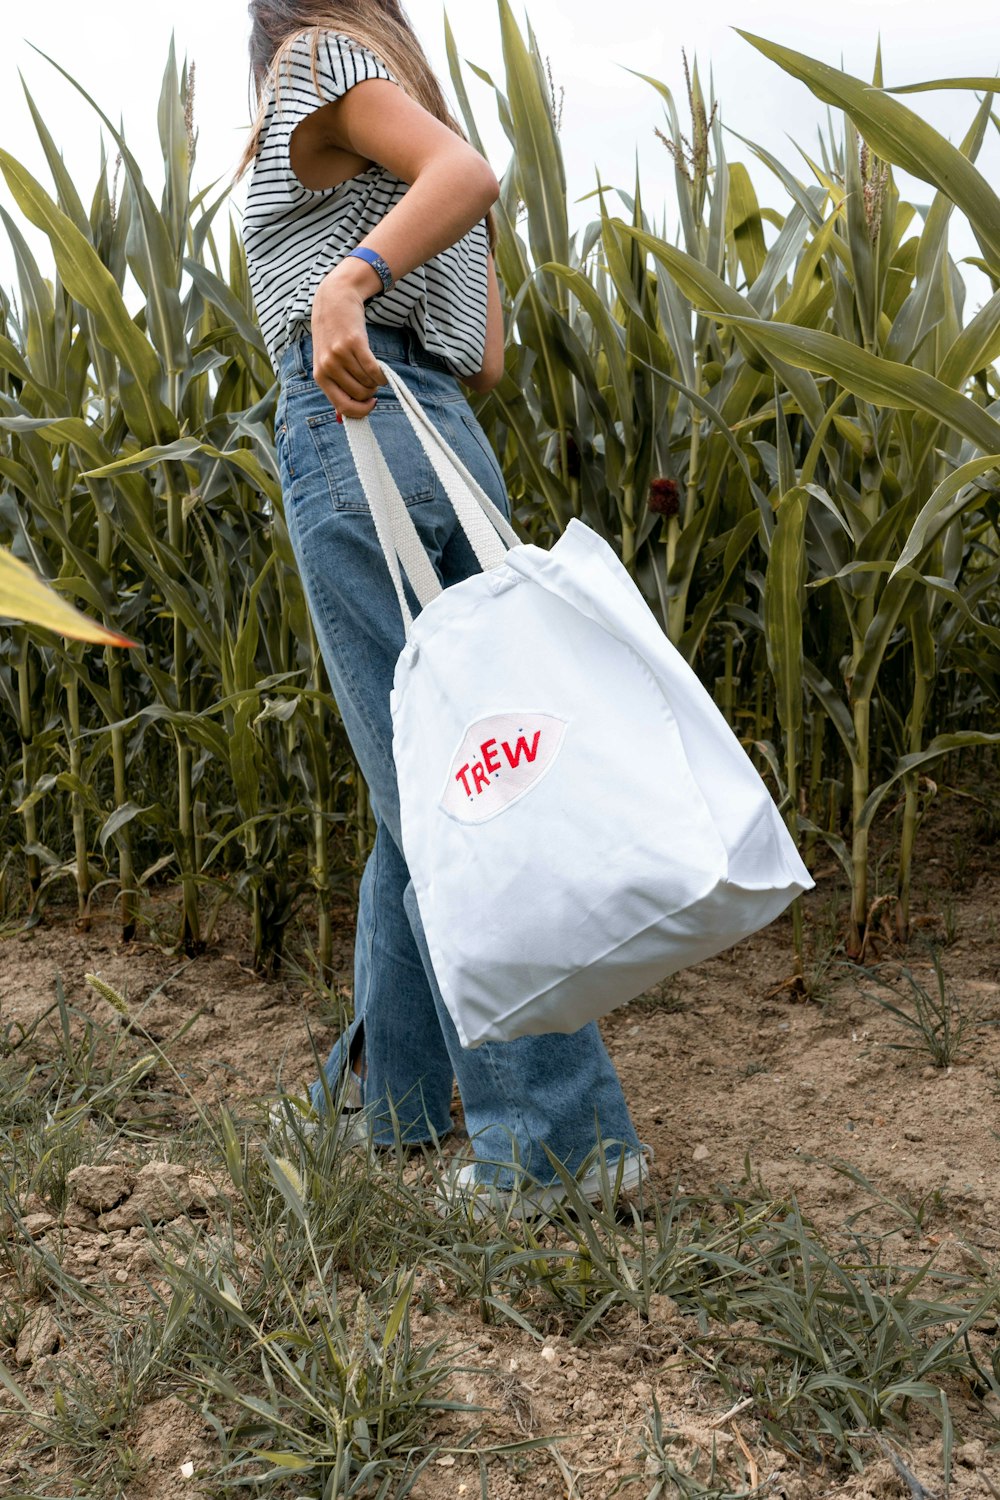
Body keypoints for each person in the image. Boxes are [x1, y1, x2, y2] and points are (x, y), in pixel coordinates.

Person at [236, 0, 649, 1214]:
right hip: (445, 439)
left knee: (448, 798)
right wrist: (381, 277)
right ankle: (392, 1095)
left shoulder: (315, 62)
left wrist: (340, 288)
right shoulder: (405, 115)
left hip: (350, 431)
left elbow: (465, 175)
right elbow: (485, 358)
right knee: (418, 783)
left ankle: (561, 1146)